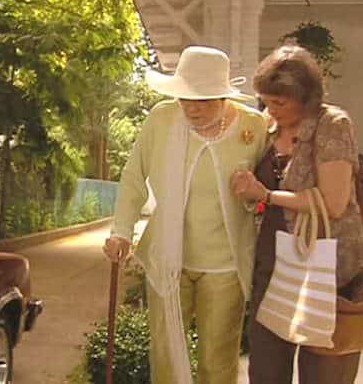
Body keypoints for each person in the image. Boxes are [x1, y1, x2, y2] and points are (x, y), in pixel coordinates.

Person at [102, 46, 267, 384]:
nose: (192, 107)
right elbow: (135, 175)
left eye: (203, 100)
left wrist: (253, 194)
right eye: (185, 98)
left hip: (225, 264)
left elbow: (265, 194)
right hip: (167, 258)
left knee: (217, 361)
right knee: (164, 356)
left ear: (223, 97)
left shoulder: (254, 126)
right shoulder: (161, 119)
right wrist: (121, 230)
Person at [231, 44, 363, 384]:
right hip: (275, 263)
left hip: (329, 266)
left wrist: (267, 195)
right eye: (266, 100)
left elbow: (334, 203)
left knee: (325, 372)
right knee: (265, 369)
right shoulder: (267, 126)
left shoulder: (332, 124)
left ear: (306, 97)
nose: (271, 109)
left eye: (280, 102)